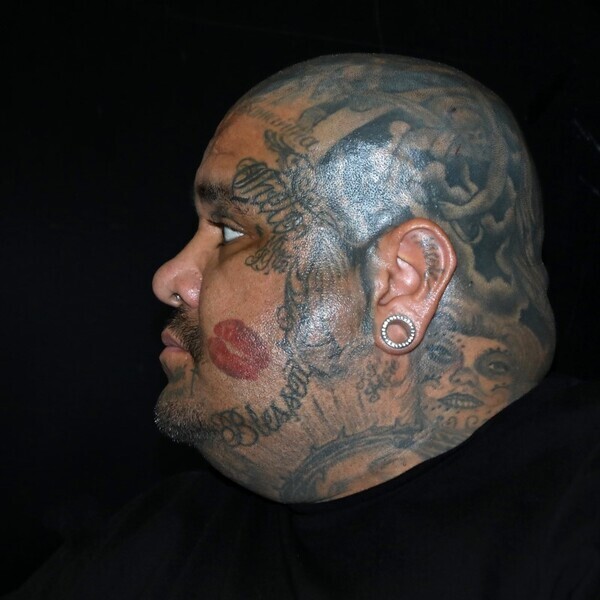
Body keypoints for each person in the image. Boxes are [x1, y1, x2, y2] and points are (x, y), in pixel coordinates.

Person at [9, 54, 599, 599]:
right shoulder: (160, 541)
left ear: (404, 281)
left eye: (231, 231)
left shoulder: (575, 516)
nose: (169, 278)